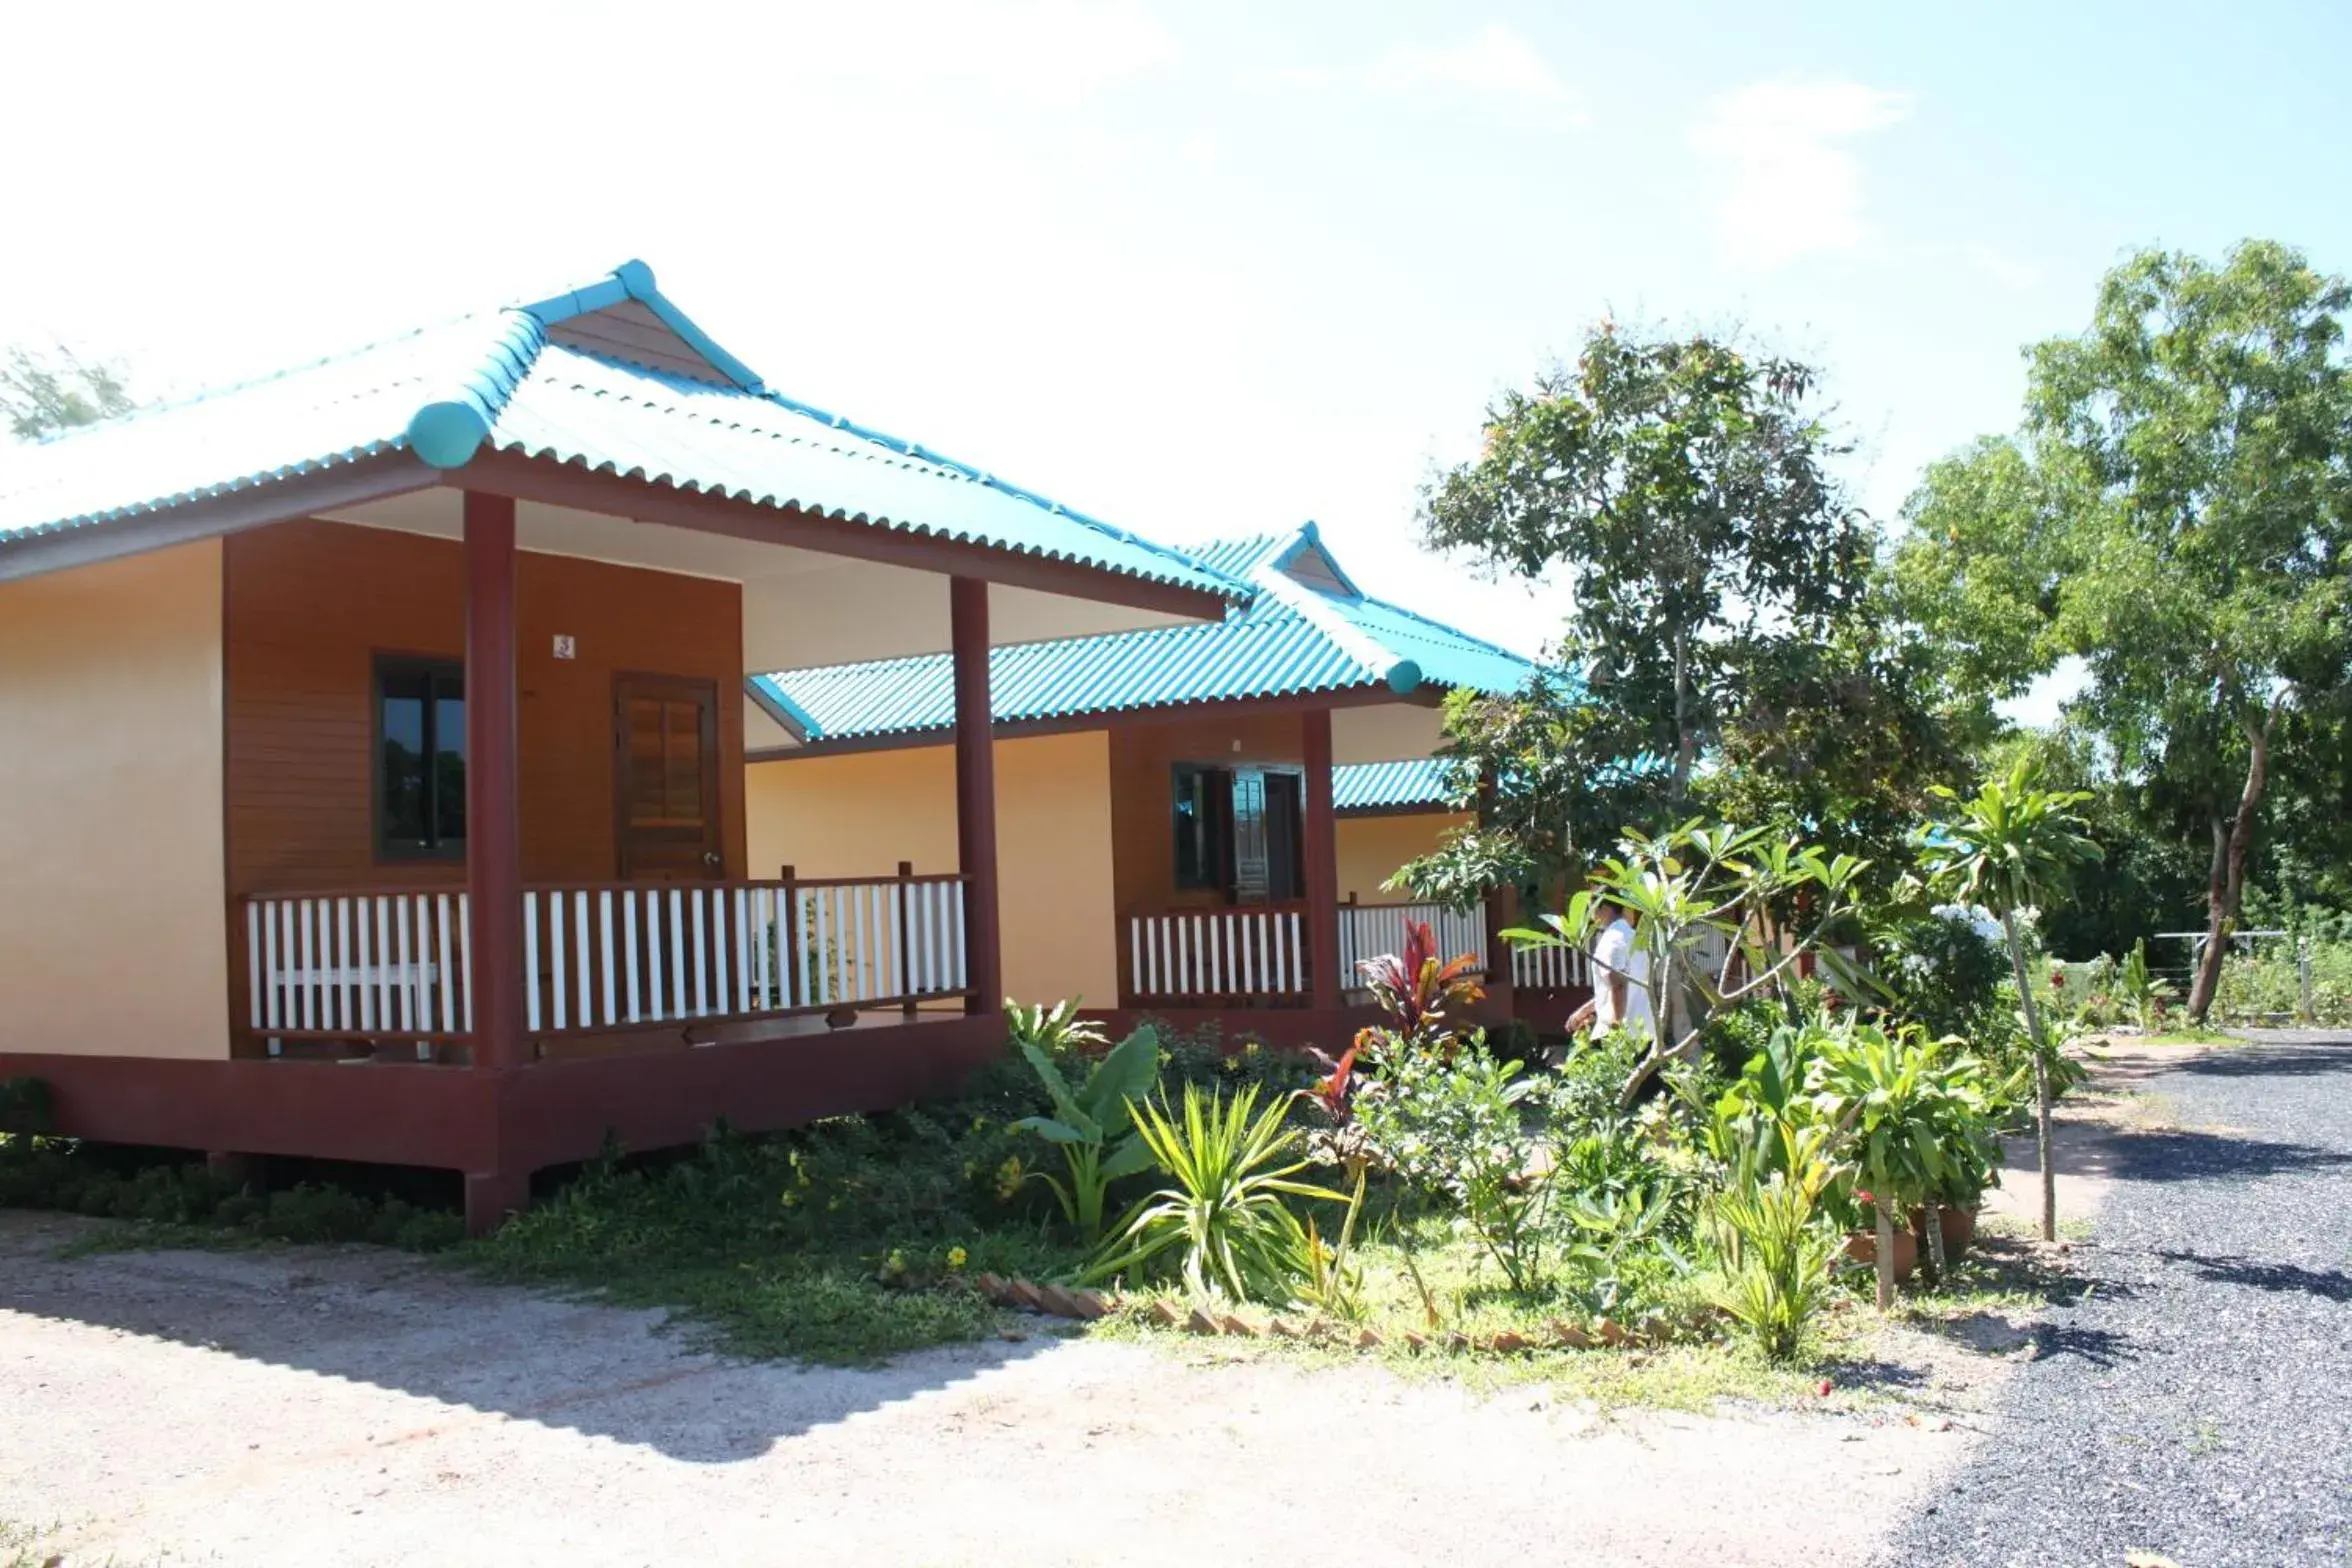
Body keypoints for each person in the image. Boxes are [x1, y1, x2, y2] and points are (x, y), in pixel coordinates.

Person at [1574, 897, 1650, 1037]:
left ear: (1605, 908)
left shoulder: (1612, 939)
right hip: (1645, 1029)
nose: (1591, 917)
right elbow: (1622, 985)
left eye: (1592, 909)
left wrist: (1616, 1027)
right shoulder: (1635, 937)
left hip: (1620, 1035)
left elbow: (1618, 985)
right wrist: (1585, 1010)